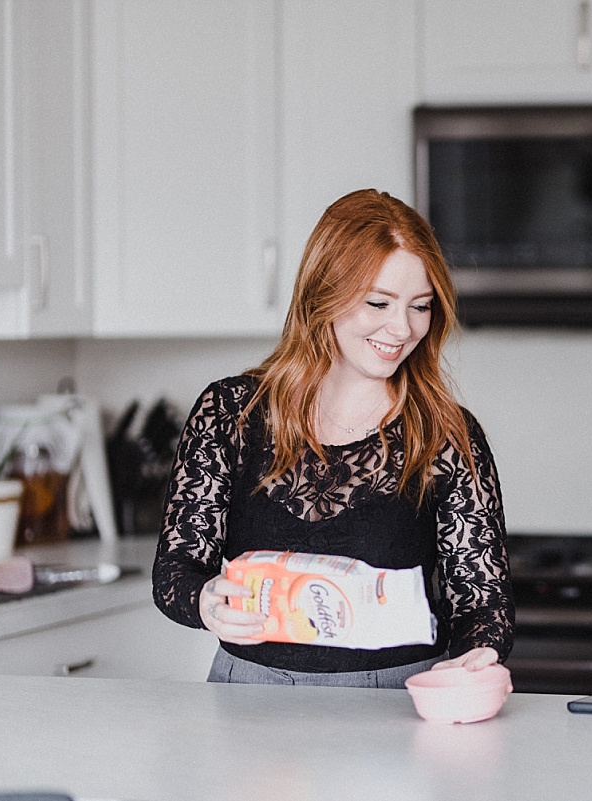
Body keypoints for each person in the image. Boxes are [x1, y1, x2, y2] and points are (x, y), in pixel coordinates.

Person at [151, 189, 513, 687]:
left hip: (393, 704)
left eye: (421, 306)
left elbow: (482, 603)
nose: (402, 328)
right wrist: (204, 602)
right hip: (247, 697)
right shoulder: (231, 414)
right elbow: (176, 570)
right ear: (326, 294)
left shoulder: (446, 435)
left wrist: (478, 654)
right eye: (379, 302)